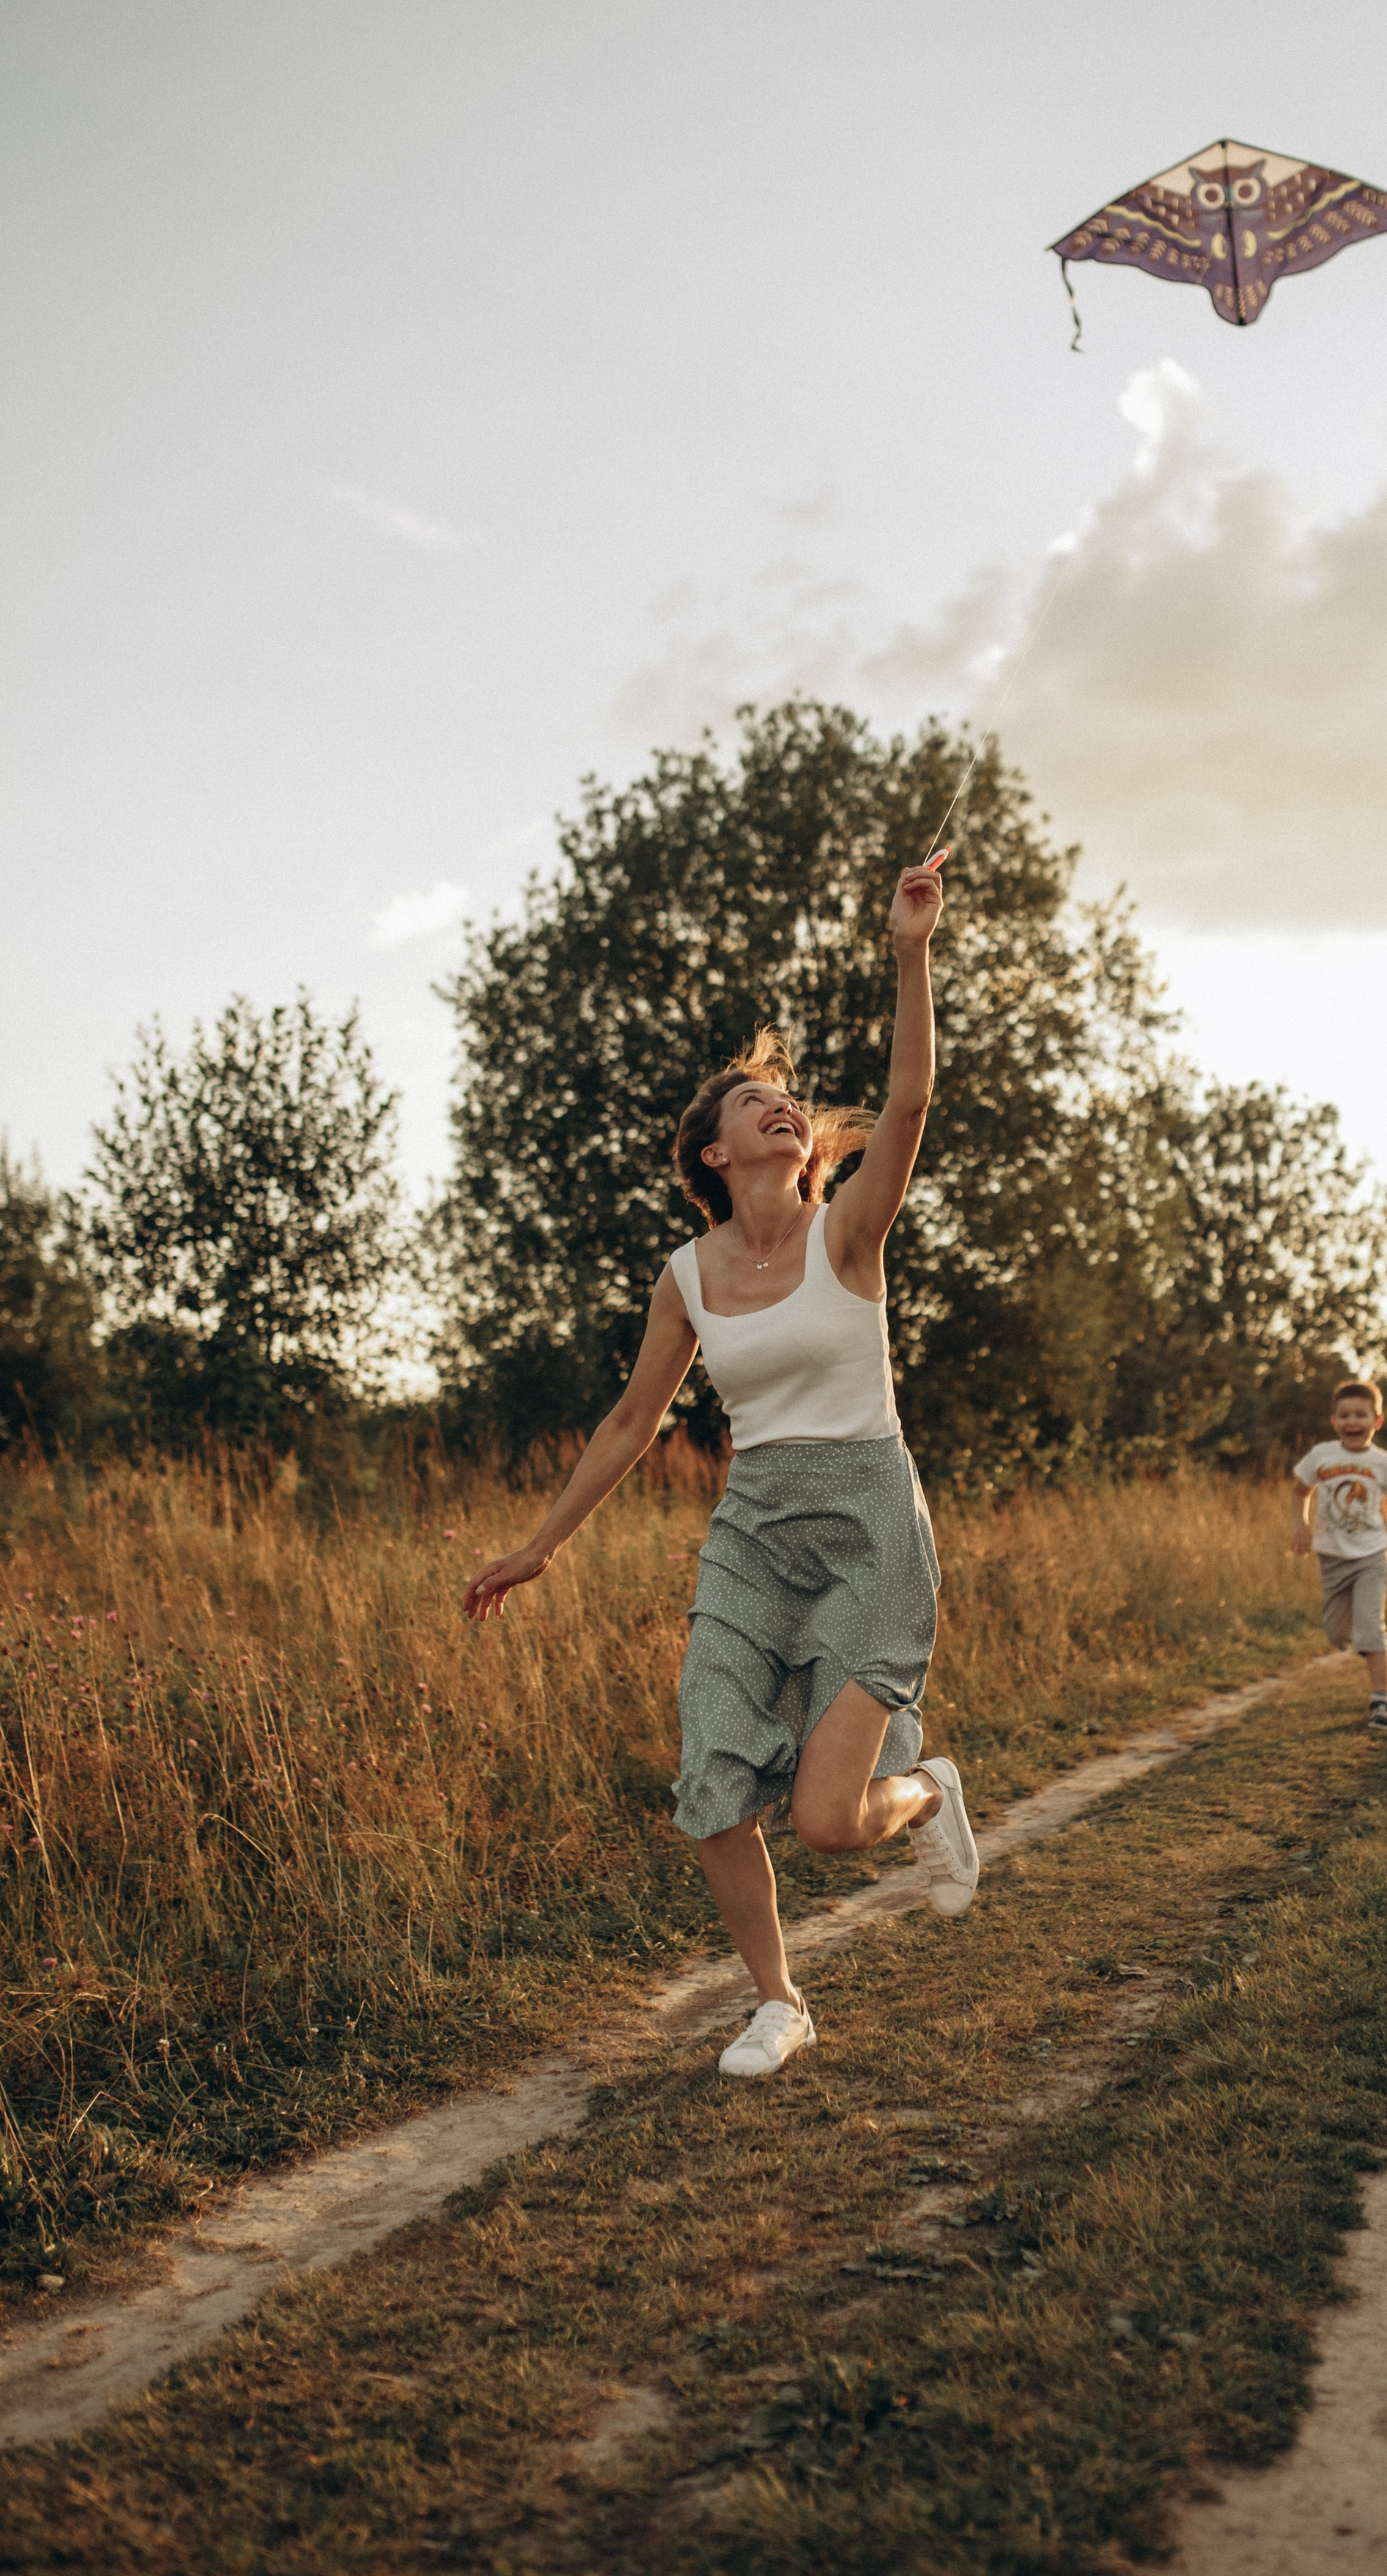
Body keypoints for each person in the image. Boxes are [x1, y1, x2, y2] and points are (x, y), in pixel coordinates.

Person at [462, 862, 978, 2081]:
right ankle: (779, 2001)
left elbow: (906, 1103)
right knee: (712, 1777)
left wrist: (911, 951)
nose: (784, 1106)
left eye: (790, 1097)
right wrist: (541, 1543)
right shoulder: (687, 1274)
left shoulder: (847, 1232)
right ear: (710, 1147)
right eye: (755, 1101)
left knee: (831, 1821)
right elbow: (633, 1418)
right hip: (754, 1528)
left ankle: (928, 1789)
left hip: (865, 1524)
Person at [1289, 1380, 1387, 1731]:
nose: (1352, 1422)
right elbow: (1300, 1492)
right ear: (1334, 1422)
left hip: (1372, 1555)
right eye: (1344, 1415)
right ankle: (1367, 1644)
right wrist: (1300, 1524)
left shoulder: (1383, 1463)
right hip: (1331, 1557)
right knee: (1335, 1633)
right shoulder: (1321, 1456)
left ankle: (1381, 1702)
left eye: (1361, 1415)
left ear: (1377, 1420)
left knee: (1372, 1629)